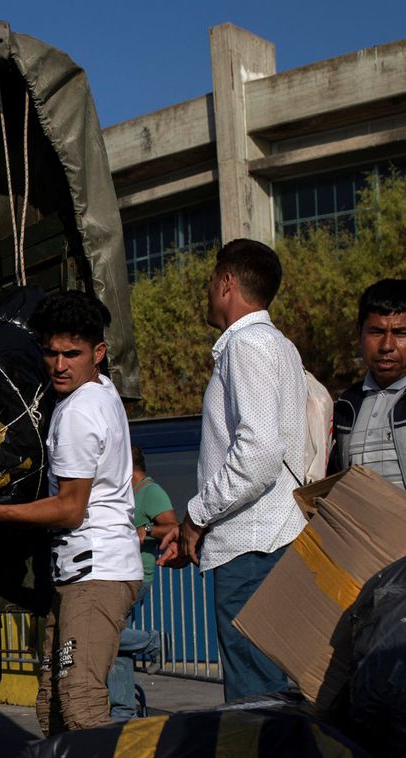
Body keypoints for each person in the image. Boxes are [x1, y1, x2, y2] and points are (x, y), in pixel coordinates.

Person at [0, 290, 142, 734]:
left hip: (95, 577)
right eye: (50, 353)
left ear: (99, 353)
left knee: (81, 705)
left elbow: (70, 510)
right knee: (52, 703)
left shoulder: (78, 413)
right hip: (80, 575)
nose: (59, 365)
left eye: (73, 353)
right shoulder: (101, 392)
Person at [159, 238, 307, 703]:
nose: (207, 292)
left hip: (253, 549)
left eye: (210, 281)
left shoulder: (247, 345)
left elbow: (259, 452)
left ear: (226, 283)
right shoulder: (280, 347)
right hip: (268, 542)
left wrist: (198, 515)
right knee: (273, 695)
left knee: (256, 702)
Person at [106, 446, 176, 720]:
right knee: (116, 641)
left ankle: (153, 642)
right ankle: (123, 712)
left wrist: (145, 530)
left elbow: (172, 526)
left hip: (138, 576)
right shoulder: (131, 494)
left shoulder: (151, 492)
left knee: (106, 633)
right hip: (121, 574)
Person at [330, 278, 406, 486]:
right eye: (376, 332)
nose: (387, 346)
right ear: (359, 333)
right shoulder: (346, 406)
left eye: (400, 333)